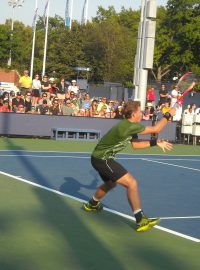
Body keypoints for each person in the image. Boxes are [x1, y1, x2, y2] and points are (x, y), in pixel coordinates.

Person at [83, 100, 176, 232]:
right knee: (131, 183)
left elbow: (136, 145)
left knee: (111, 184)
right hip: (103, 159)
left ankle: (92, 204)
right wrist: (168, 115)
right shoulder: (128, 126)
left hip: (99, 158)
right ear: (133, 114)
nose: (142, 113)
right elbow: (156, 129)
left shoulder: (131, 126)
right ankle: (140, 220)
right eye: (140, 111)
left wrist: (155, 143)